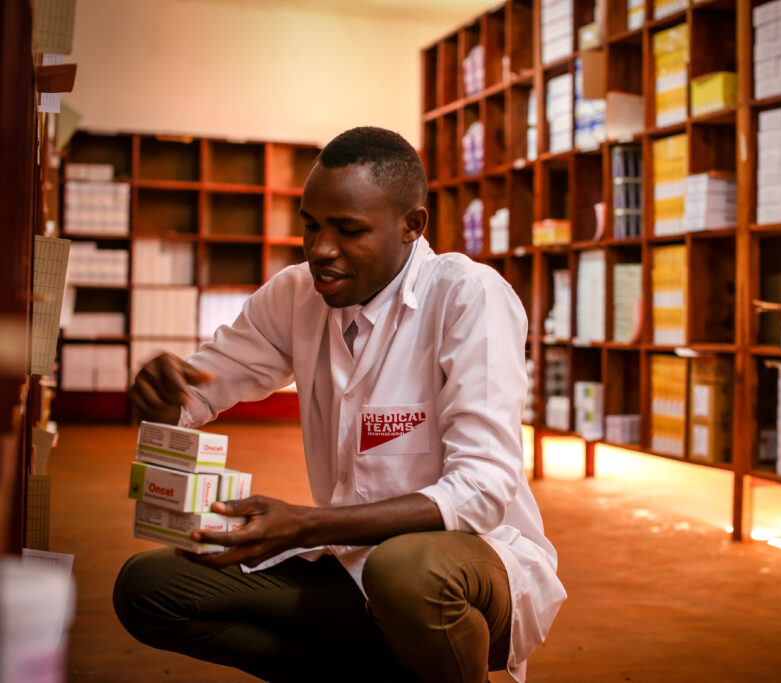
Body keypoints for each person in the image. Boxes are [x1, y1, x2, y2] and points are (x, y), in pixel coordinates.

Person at [113, 126, 566, 682]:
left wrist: (305, 524)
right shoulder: (296, 295)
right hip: (350, 566)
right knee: (150, 589)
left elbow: (481, 490)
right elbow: (197, 393)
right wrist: (161, 395)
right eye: (310, 225)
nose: (321, 249)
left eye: (349, 230)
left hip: (472, 565)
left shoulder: (468, 296)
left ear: (412, 226)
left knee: (405, 570)